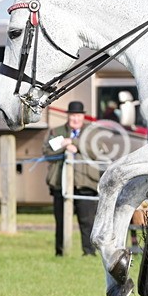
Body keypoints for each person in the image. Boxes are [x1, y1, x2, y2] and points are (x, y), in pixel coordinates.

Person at [43, 100, 102, 256]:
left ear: (83, 117)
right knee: (61, 221)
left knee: (87, 221)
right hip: (60, 184)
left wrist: (74, 142)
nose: (75, 119)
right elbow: (47, 152)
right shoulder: (57, 131)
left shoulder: (92, 132)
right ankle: (61, 252)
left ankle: (89, 253)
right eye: (72, 115)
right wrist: (65, 146)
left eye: (78, 116)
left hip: (86, 183)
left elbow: (97, 151)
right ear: (68, 116)